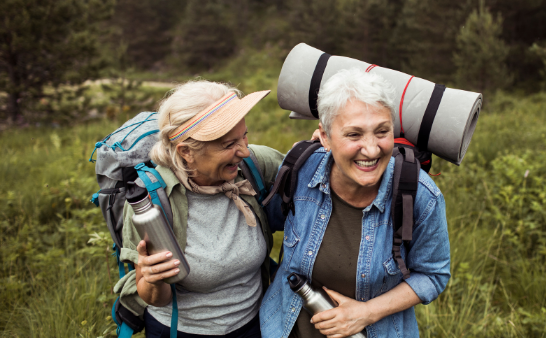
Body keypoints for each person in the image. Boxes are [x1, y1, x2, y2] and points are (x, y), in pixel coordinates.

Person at [260, 69, 451, 338]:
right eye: (354, 135)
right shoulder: (300, 172)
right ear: (324, 137)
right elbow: (264, 226)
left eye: (382, 131)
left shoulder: (419, 194)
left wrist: (367, 313)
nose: (372, 150)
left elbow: (433, 274)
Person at [116, 80, 285, 338]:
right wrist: (151, 278)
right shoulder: (150, 200)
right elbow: (154, 298)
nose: (244, 150)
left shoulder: (253, 166)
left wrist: (325, 147)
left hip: (256, 324)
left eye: (244, 136)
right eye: (228, 145)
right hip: (182, 332)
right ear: (187, 152)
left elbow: (314, 177)